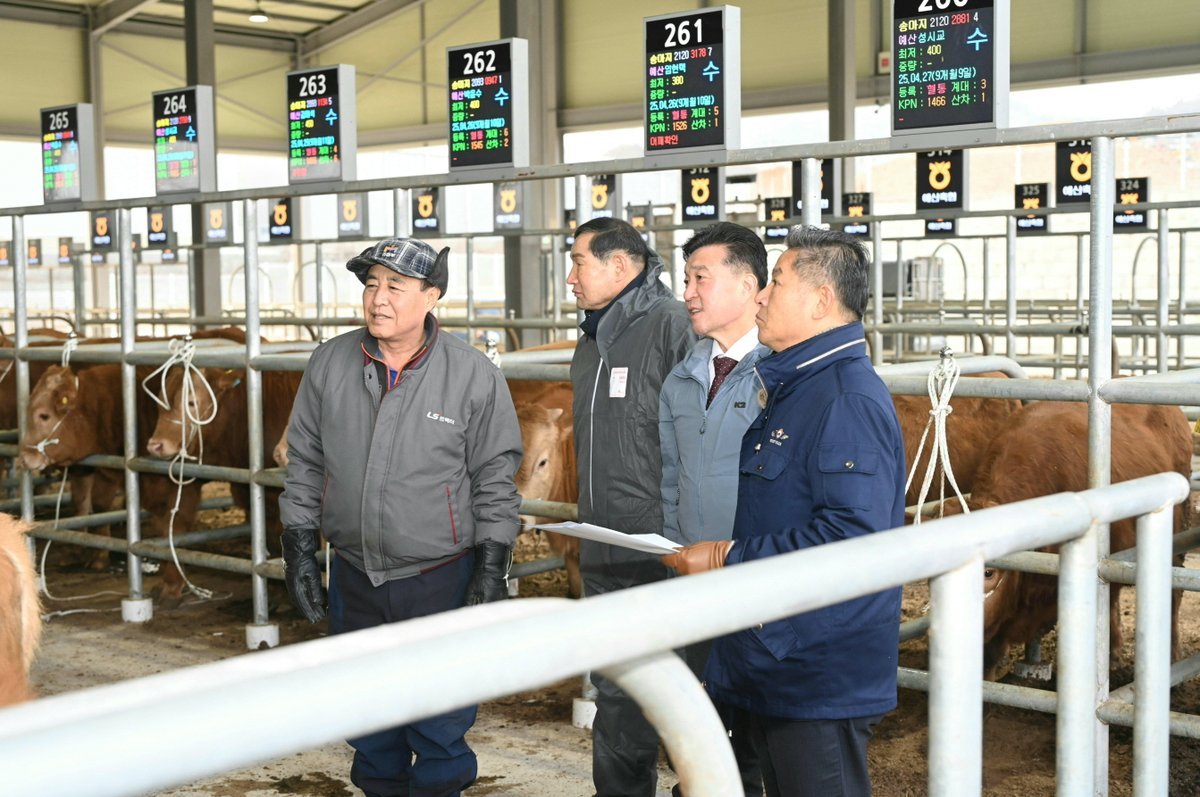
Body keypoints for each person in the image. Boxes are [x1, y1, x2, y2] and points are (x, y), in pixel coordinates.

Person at [663, 226, 905, 797]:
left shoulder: (844, 398)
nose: (763, 296)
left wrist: (727, 555)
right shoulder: (799, 385)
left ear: (821, 301)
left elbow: (853, 535)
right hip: (779, 649)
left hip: (817, 665)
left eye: (776, 281)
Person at [279, 237, 523, 797]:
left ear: (431, 296)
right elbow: (306, 461)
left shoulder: (471, 374)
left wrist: (493, 563)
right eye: (371, 285)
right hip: (355, 572)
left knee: (439, 717)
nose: (378, 298)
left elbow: (494, 477)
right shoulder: (331, 362)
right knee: (367, 714)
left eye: (395, 286)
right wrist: (298, 549)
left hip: (437, 575)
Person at [567, 216, 697, 797]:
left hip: (662, 548)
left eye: (579, 263)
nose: (571, 277)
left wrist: (682, 535)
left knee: (685, 689)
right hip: (604, 545)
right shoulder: (591, 339)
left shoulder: (673, 325)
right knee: (617, 691)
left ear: (619, 265)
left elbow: (700, 434)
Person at [658, 221, 769, 797]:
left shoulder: (781, 374)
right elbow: (670, 477)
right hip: (696, 581)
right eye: (687, 279)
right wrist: (674, 553)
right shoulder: (682, 378)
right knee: (700, 729)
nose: (688, 293)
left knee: (757, 734)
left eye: (701, 278)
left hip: (759, 582)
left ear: (748, 286)